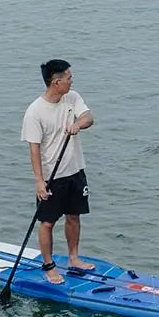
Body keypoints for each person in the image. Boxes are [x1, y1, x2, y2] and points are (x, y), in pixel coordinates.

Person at [21, 59, 95, 283]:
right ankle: (49, 265)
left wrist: (78, 124)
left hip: (75, 171)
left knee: (74, 216)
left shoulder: (72, 97)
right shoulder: (35, 112)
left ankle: (74, 258)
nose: (72, 80)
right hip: (51, 177)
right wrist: (39, 182)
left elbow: (88, 117)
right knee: (48, 222)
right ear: (56, 82)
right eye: (68, 78)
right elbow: (34, 149)